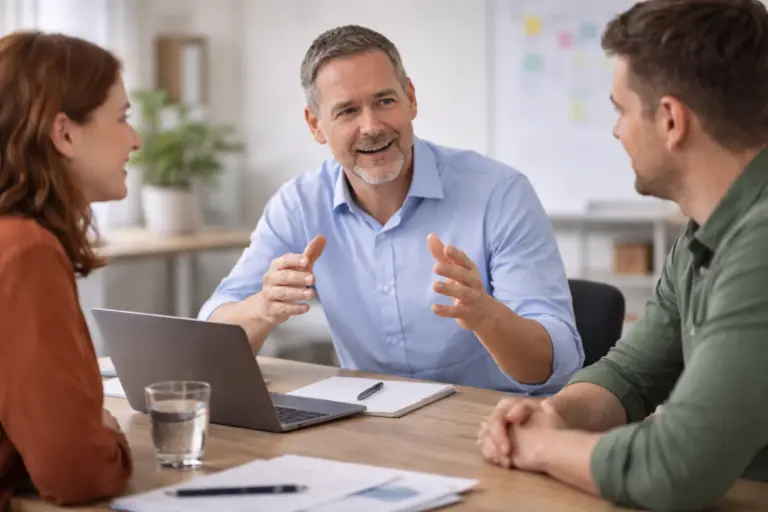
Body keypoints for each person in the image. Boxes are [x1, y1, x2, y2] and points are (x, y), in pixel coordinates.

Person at [477, 0, 768, 510]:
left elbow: (676, 467)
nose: (616, 130)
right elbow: (634, 373)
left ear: (672, 120)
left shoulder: (761, 243)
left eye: (620, 109)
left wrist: (540, 447)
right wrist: (554, 413)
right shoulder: (704, 233)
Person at [198, 25, 583, 393]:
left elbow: (558, 365)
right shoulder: (298, 204)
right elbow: (210, 341)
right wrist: (263, 307)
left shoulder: (499, 194)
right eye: (347, 111)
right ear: (315, 125)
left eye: (384, 101)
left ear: (410, 98)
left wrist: (487, 316)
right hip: (369, 426)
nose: (372, 126)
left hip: (491, 424)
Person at [0, 31, 142, 509]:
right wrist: (108, 438)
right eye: (121, 118)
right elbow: (77, 473)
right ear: (63, 133)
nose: (136, 140)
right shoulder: (24, 251)